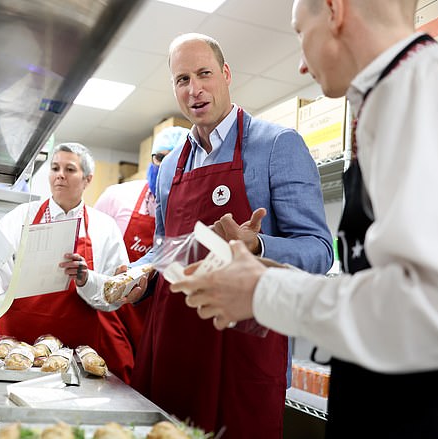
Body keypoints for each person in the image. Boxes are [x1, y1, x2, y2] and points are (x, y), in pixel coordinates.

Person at [170, 1, 438, 438]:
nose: (300, 63)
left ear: (335, 10)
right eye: (181, 79)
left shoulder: (421, 92)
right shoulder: (388, 97)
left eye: (300, 32)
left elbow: (432, 309)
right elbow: (390, 280)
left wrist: (263, 287)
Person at [128, 33, 333, 439]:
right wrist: (135, 275)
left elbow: (319, 249)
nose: (194, 89)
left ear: (225, 75)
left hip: (243, 351)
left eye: (204, 74)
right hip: (172, 348)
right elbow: (164, 249)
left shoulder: (277, 145)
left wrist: (257, 245)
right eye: (182, 79)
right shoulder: (169, 167)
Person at [0, 142, 135, 383]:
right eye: (55, 168)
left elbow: (114, 296)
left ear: (87, 179)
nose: (60, 175)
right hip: (16, 347)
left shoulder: (105, 227)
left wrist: (87, 279)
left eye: (70, 169)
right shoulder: (22, 216)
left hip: (75, 354)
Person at [94, 126, 189, 359]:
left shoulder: (194, 210)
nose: (165, 167)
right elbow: (91, 253)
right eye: (159, 158)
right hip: (117, 316)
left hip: (165, 322)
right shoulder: (117, 197)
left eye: (174, 159)